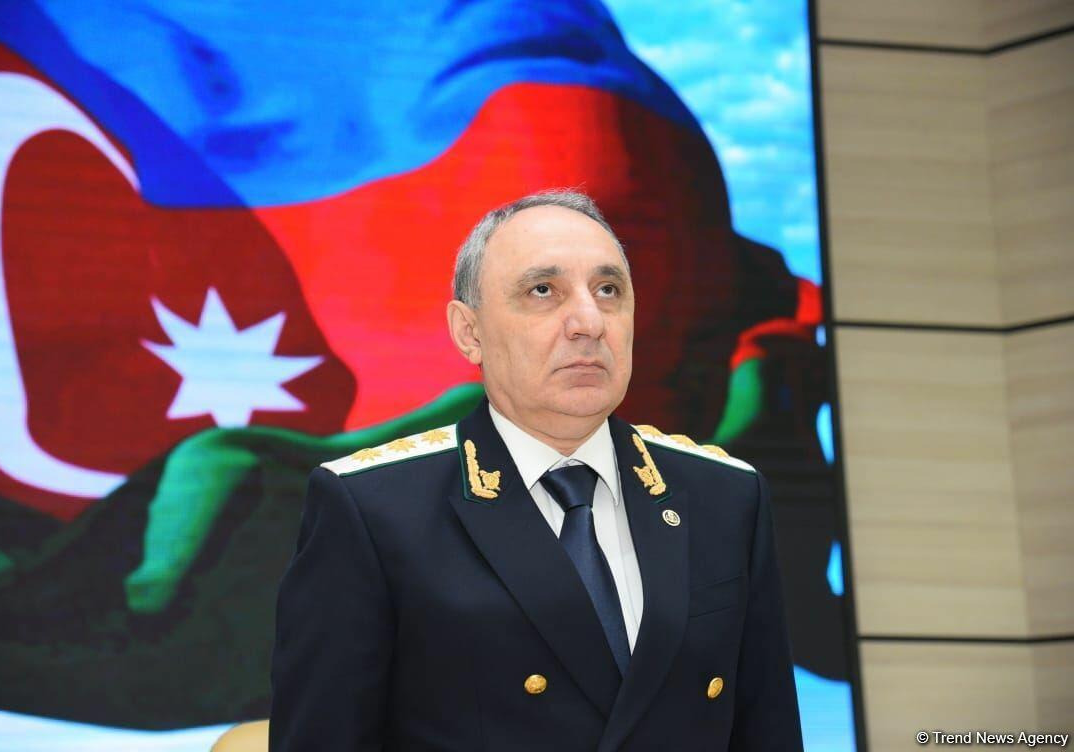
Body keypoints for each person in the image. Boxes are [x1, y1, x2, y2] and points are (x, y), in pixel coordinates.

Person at [269, 190, 803, 751]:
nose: (589, 322)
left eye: (609, 290)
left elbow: (766, 730)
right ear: (469, 332)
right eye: (543, 290)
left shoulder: (725, 496)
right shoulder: (375, 510)